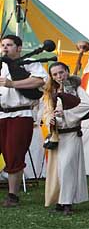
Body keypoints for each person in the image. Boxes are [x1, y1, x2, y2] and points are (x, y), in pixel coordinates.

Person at [1, 34, 46, 207]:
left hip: (20, 115)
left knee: (14, 155)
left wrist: (12, 84)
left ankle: (12, 196)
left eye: (9, 45)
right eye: (3, 45)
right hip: (0, 114)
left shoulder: (30, 63)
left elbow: (39, 81)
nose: (5, 47)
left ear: (19, 48)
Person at [42, 63, 89, 215]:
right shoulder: (50, 92)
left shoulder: (76, 89)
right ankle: (59, 200)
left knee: (67, 167)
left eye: (61, 73)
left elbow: (87, 105)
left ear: (67, 72)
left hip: (71, 134)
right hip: (56, 135)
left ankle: (67, 202)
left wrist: (66, 113)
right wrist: (50, 119)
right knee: (56, 170)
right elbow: (45, 112)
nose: (59, 77)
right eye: (55, 74)